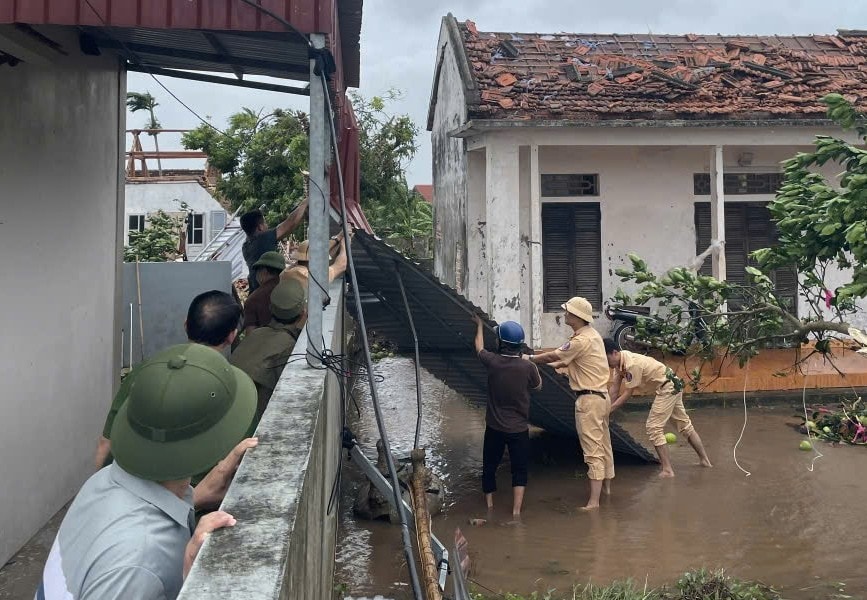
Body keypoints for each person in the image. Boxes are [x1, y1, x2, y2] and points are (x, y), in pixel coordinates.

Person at [38, 344, 258, 600]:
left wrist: (195, 496)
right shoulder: (139, 563)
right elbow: (134, 559)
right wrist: (192, 584)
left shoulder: (102, 481)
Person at [94, 290, 243, 470]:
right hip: (201, 490)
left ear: (186, 325)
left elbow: (106, 442)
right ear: (232, 336)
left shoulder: (147, 371)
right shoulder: (236, 389)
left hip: (135, 482)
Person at [530, 296, 613, 511]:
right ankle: (607, 492)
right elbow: (565, 361)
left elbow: (555, 356)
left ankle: (593, 503)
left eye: (568, 312)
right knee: (604, 445)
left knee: (592, 450)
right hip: (602, 397)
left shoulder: (579, 340)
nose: (565, 314)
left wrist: (528, 358)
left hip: (589, 401)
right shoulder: (592, 337)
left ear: (577, 317)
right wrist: (553, 365)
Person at [604, 338, 712, 477]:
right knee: (684, 426)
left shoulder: (631, 365)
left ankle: (667, 470)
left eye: (606, 358)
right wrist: (605, 408)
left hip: (667, 386)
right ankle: (705, 461)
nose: (605, 363)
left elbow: (627, 394)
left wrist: (608, 412)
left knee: (653, 427)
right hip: (671, 384)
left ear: (614, 353)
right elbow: (614, 389)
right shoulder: (619, 364)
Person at [473, 315, 541, 520]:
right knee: (519, 470)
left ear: (501, 343)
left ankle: (490, 507)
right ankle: (516, 511)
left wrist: (478, 325)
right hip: (518, 429)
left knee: (489, 466)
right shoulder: (528, 367)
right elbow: (538, 386)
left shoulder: (492, 362)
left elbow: (478, 347)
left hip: (494, 428)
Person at [231, 279, 307, 424]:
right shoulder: (289, 347)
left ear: (271, 309)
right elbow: (290, 399)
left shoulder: (256, 334)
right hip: (252, 423)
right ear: (303, 312)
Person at [240, 201, 308, 293]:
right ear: (260, 227)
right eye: (265, 223)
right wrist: (305, 202)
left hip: (255, 291)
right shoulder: (262, 238)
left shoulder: (246, 246)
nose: (267, 226)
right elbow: (289, 224)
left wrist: (301, 212)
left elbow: (289, 228)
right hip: (267, 294)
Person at [281, 231, 348, 291]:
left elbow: (322, 251)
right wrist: (345, 244)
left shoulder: (288, 271)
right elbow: (341, 265)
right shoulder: (310, 277)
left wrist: (338, 238)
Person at [243, 251, 286, 335]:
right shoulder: (291, 290)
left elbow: (250, 336)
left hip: (266, 345)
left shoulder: (253, 299)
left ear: (264, 272)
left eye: (257, 271)